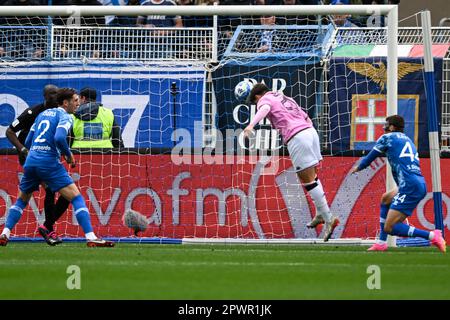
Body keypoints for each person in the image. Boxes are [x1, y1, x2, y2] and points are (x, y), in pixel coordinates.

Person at [0, 88, 115, 247]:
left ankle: (5, 233)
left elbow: (28, 141)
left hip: (32, 160)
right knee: (76, 197)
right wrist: (67, 155)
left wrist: (33, 154)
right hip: (48, 161)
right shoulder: (65, 116)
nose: (77, 104)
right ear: (65, 103)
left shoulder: (41, 115)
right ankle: (91, 236)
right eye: (74, 101)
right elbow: (60, 137)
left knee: (22, 200)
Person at [243, 83, 340, 241]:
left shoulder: (264, 100)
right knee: (311, 176)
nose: (256, 104)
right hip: (310, 131)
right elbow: (305, 115)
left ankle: (329, 218)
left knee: (307, 179)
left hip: (297, 136)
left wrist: (250, 125)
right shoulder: (284, 97)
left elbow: (265, 109)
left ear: (257, 96)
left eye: (254, 102)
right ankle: (321, 213)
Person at [351, 115, 446, 252]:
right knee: (386, 198)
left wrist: (358, 167)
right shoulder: (409, 140)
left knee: (390, 227)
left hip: (409, 186)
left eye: (386, 124)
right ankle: (381, 243)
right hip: (416, 182)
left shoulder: (387, 138)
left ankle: (432, 235)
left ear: (391, 127)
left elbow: (370, 158)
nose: (384, 127)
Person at [6, 84, 70, 246]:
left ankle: (5, 232)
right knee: (53, 189)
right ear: (45, 96)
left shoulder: (60, 114)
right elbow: (9, 131)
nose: (55, 97)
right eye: (51, 94)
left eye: (57, 94)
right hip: (32, 158)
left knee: (24, 197)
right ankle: (49, 229)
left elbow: (67, 136)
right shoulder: (32, 113)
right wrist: (22, 150)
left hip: (46, 158)